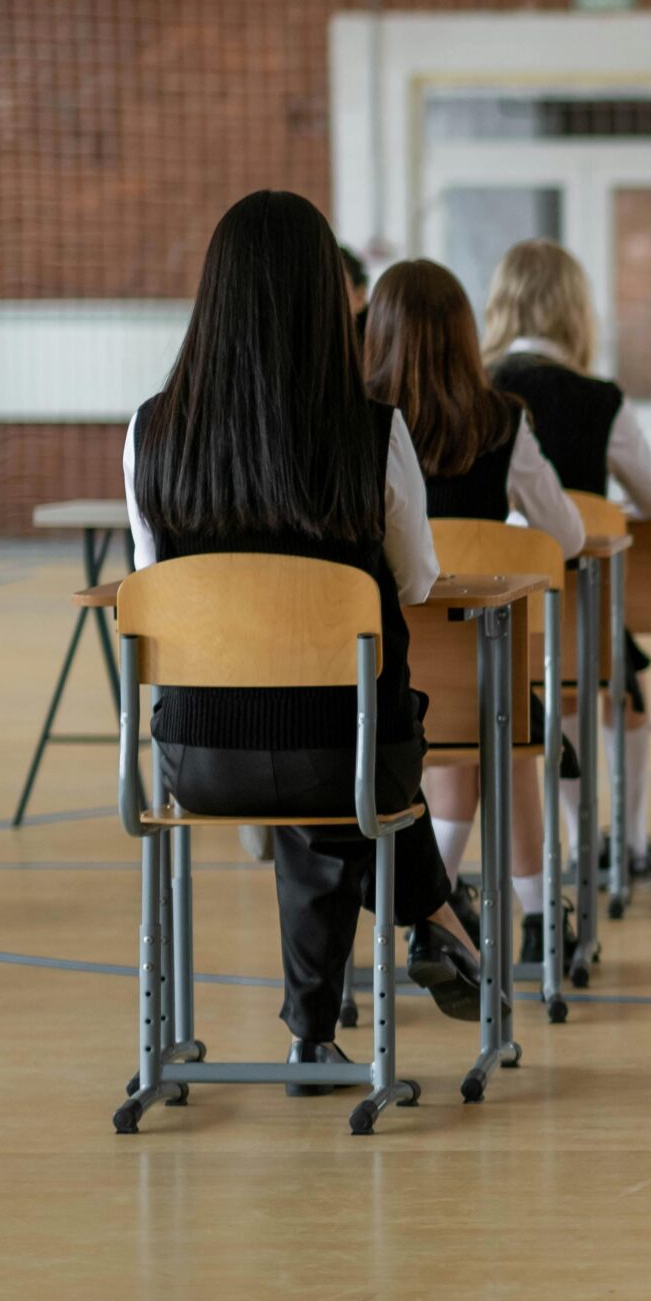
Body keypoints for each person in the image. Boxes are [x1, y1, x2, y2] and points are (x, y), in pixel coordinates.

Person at [123, 190, 482, 1092]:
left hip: (197, 758)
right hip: (347, 751)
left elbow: (153, 584)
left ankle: (314, 1032)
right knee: (344, 766)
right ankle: (437, 911)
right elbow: (415, 582)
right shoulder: (374, 433)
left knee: (309, 790)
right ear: (333, 300)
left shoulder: (151, 432)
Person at [364, 260, 586, 967]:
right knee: (506, 730)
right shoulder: (502, 421)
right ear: (467, 335)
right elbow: (568, 537)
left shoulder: (356, 425)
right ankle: (538, 917)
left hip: (384, 680)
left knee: (460, 743)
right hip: (480, 675)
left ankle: (436, 912)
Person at [480, 240, 651, 882]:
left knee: (553, 682)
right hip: (571, 612)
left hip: (481, 615)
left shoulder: (469, 392)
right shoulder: (599, 399)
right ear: (576, 310)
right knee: (617, 688)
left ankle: (574, 837)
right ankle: (617, 843)